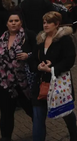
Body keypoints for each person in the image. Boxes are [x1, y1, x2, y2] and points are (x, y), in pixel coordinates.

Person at [33, 11, 77, 141]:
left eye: (49, 23)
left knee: (65, 111)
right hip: (41, 83)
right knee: (38, 116)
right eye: (44, 22)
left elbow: (69, 60)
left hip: (58, 82)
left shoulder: (65, 40)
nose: (45, 25)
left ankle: (73, 132)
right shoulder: (40, 40)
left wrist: (52, 68)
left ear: (56, 24)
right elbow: (33, 59)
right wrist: (39, 66)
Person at [0, 11, 36, 141]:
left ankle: (39, 131)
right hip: (6, 82)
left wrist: (28, 55)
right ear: (7, 24)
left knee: (30, 109)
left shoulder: (28, 35)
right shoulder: (2, 38)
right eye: (11, 21)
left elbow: (38, 52)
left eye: (16, 21)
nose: (13, 23)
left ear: (20, 22)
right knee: (6, 112)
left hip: (24, 81)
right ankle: (5, 137)